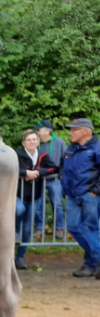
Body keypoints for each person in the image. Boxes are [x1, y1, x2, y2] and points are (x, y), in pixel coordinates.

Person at [60, 118, 100, 278]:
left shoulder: (97, 148)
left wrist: (95, 191)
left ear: (85, 131)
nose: (70, 133)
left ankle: (90, 265)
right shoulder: (71, 148)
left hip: (89, 195)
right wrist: (64, 185)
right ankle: (96, 259)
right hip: (72, 195)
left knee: (89, 228)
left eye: (74, 130)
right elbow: (63, 166)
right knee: (74, 227)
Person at [15, 130, 58, 270]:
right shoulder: (17, 155)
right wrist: (25, 173)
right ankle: (15, 233)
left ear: (38, 142)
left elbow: (54, 168)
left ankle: (20, 257)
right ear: (23, 143)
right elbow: (10, 169)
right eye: (28, 140)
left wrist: (39, 172)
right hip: (17, 194)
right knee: (19, 209)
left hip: (35, 195)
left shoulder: (43, 155)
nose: (32, 142)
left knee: (28, 228)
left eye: (34, 139)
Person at [35, 121, 67, 238]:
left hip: (55, 179)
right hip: (39, 179)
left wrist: (62, 173)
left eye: (39, 130)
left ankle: (59, 228)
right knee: (38, 205)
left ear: (47, 131)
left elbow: (66, 159)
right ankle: (40, 227)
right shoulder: (35, 142)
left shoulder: (60, 142)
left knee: (57, 204)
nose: (37, 132)